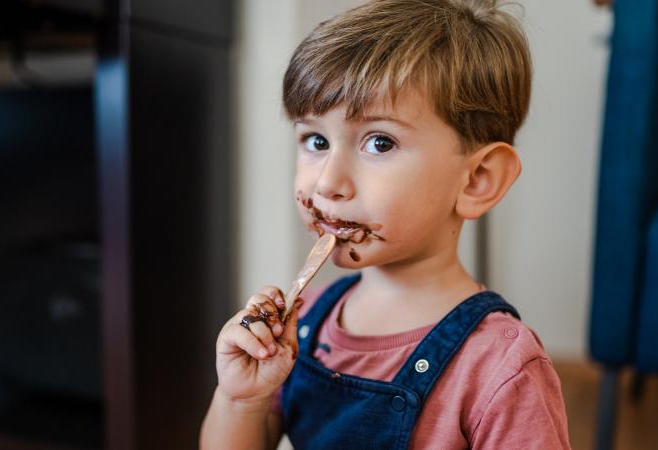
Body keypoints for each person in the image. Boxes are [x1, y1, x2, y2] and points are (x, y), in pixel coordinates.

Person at [200, 0, 571, 448]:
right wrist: (241, 401)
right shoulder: (304, 324)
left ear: (477, 180)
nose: (328, 182)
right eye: (316, 140)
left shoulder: (500, 367)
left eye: (379, 142)